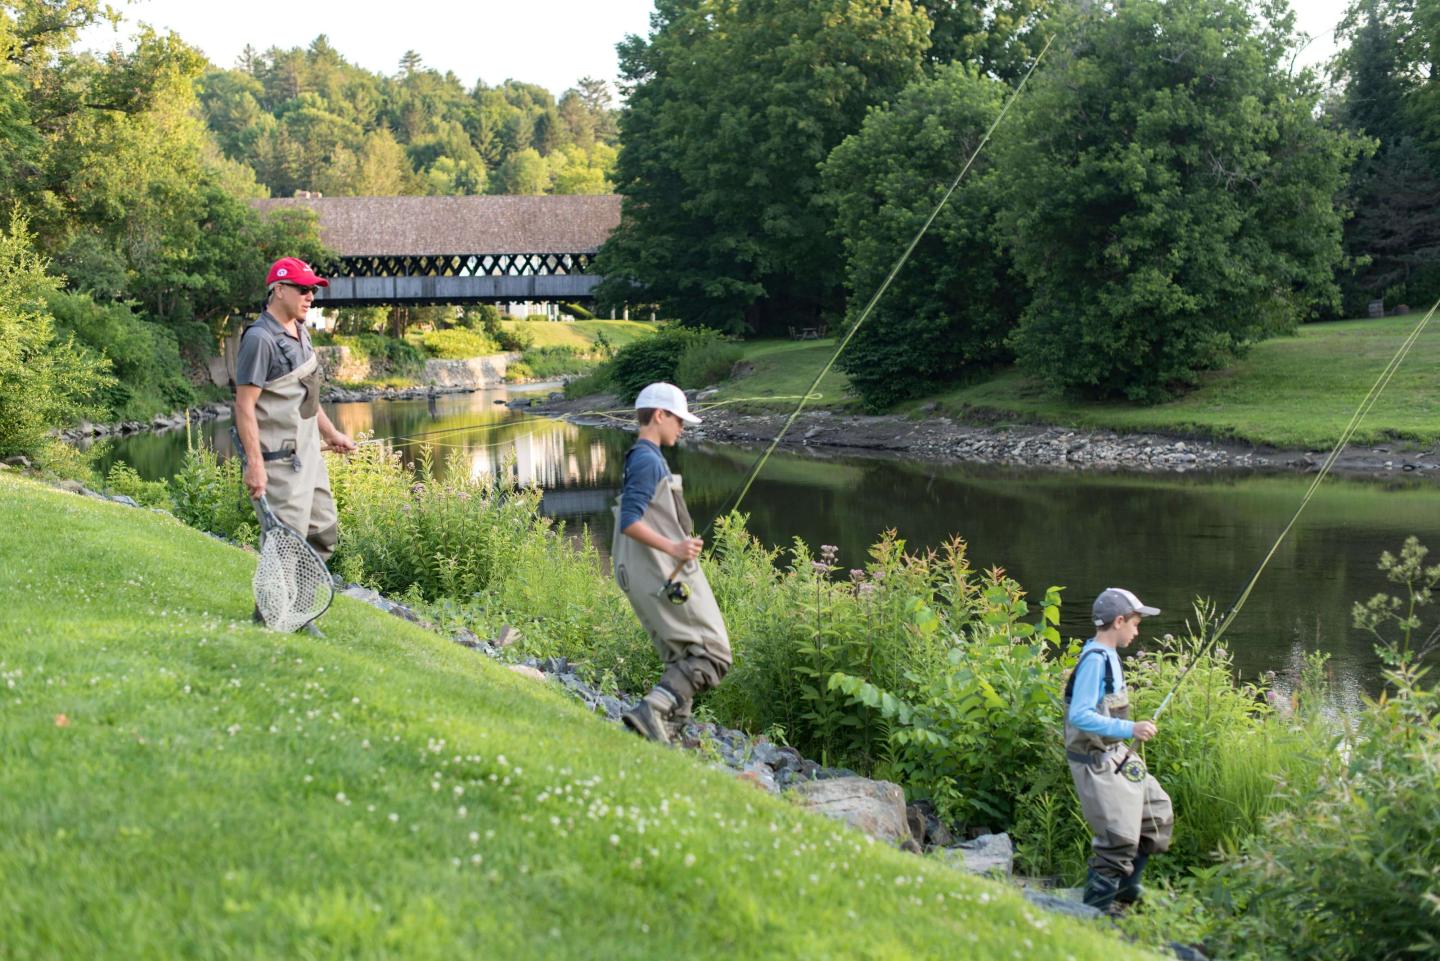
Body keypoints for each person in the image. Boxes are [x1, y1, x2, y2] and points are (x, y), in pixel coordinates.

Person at [233, 257, 357, 631]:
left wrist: (331, 434)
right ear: (279, 289)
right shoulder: (259, 339)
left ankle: (300, 611)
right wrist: (255, 465)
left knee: (323, 530)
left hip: (308, 458)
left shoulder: (300, 331)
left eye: (313, 290)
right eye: (303, 289)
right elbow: (244, 405)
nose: (310, 297)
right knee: (285, 545)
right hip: (279, 462)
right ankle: (270, 616)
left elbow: (307, 399)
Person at [611, 383, 732, 743]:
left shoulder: (642, 456)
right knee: (713, 654)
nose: (682, 428)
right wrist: (675, 548)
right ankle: (653, 709)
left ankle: (670, 731)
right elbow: (629, 520)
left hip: (646, 572)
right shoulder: (648, 459)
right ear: (659, 415)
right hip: (660, 570)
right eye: (678, 420)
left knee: (683, 653)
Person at [1063, 587, 1175, 911]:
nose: (1137, 632)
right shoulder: (1095, 661)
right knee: (1118, 842)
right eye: (1136, 624)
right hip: (1095, 764)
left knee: (1157, 815)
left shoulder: (1109, 656)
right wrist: (1131, 728)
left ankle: (1126, 891)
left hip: (1116, 756)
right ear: (1119, 621)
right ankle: (1095, 915)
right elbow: (1081, 715)